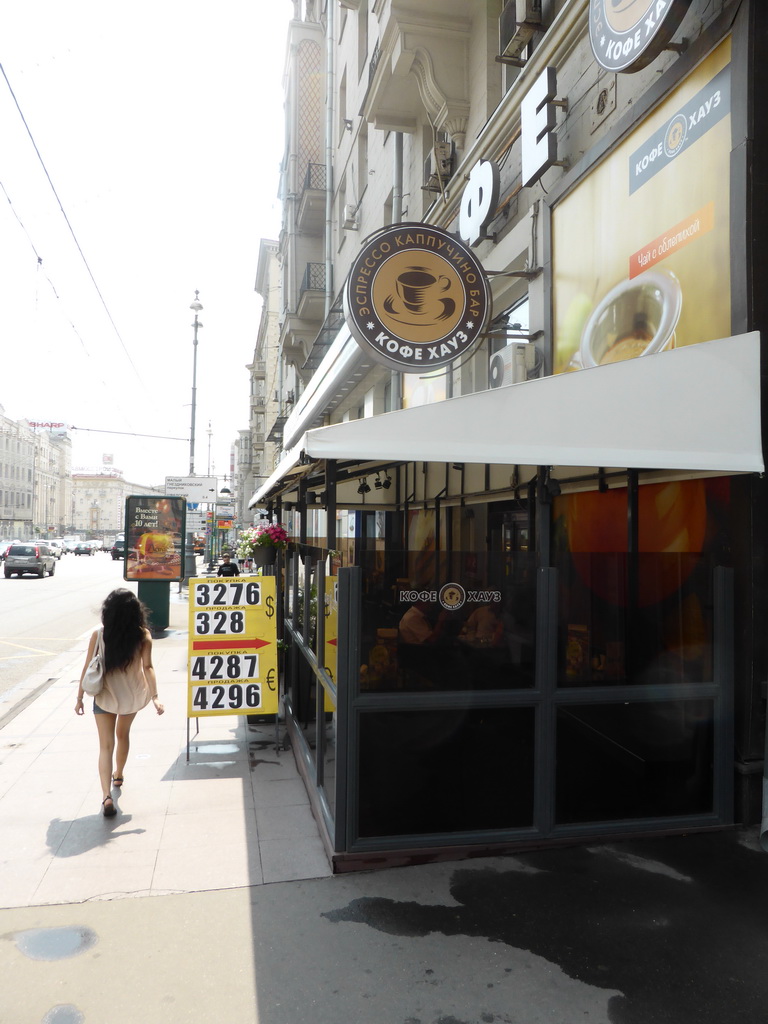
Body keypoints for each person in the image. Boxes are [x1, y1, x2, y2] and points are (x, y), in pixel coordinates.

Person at [75, 589, 164, 817]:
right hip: (131, 695)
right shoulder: (143, 635)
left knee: (105, 745)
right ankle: (119, 774)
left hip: (104, 694)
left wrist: (79, 698)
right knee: (122, 735)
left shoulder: (99, 635)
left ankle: (106, 796)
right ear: (136, 611)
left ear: (109, 611)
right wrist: (155, 697)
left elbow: (87, 668)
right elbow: (148, 667)